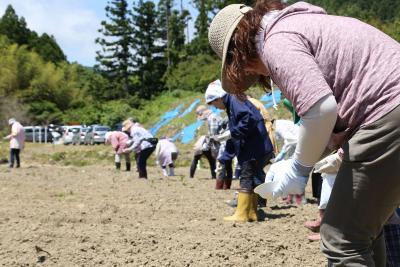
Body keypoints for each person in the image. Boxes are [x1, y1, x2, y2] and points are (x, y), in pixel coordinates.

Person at [208, 1, 400, 265]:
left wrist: (298, 169)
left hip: (389, 111)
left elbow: (320, 110)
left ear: (239, 50)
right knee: (365, 230)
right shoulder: (302, 26)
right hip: (389, 109)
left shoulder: (277, 40)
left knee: (342, 238)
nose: (251, 72)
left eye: (242, 67)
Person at [205, 79, 273, 222]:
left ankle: (241, 214)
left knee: (246, 178)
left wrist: (231, 132)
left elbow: (249, 119)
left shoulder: (234, 100)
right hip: (257, 147)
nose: (216, 108)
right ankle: (252, 213)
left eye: (214, 104)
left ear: (218, 98)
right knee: (253, 178)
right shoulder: (234, 100)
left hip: (253, 148)